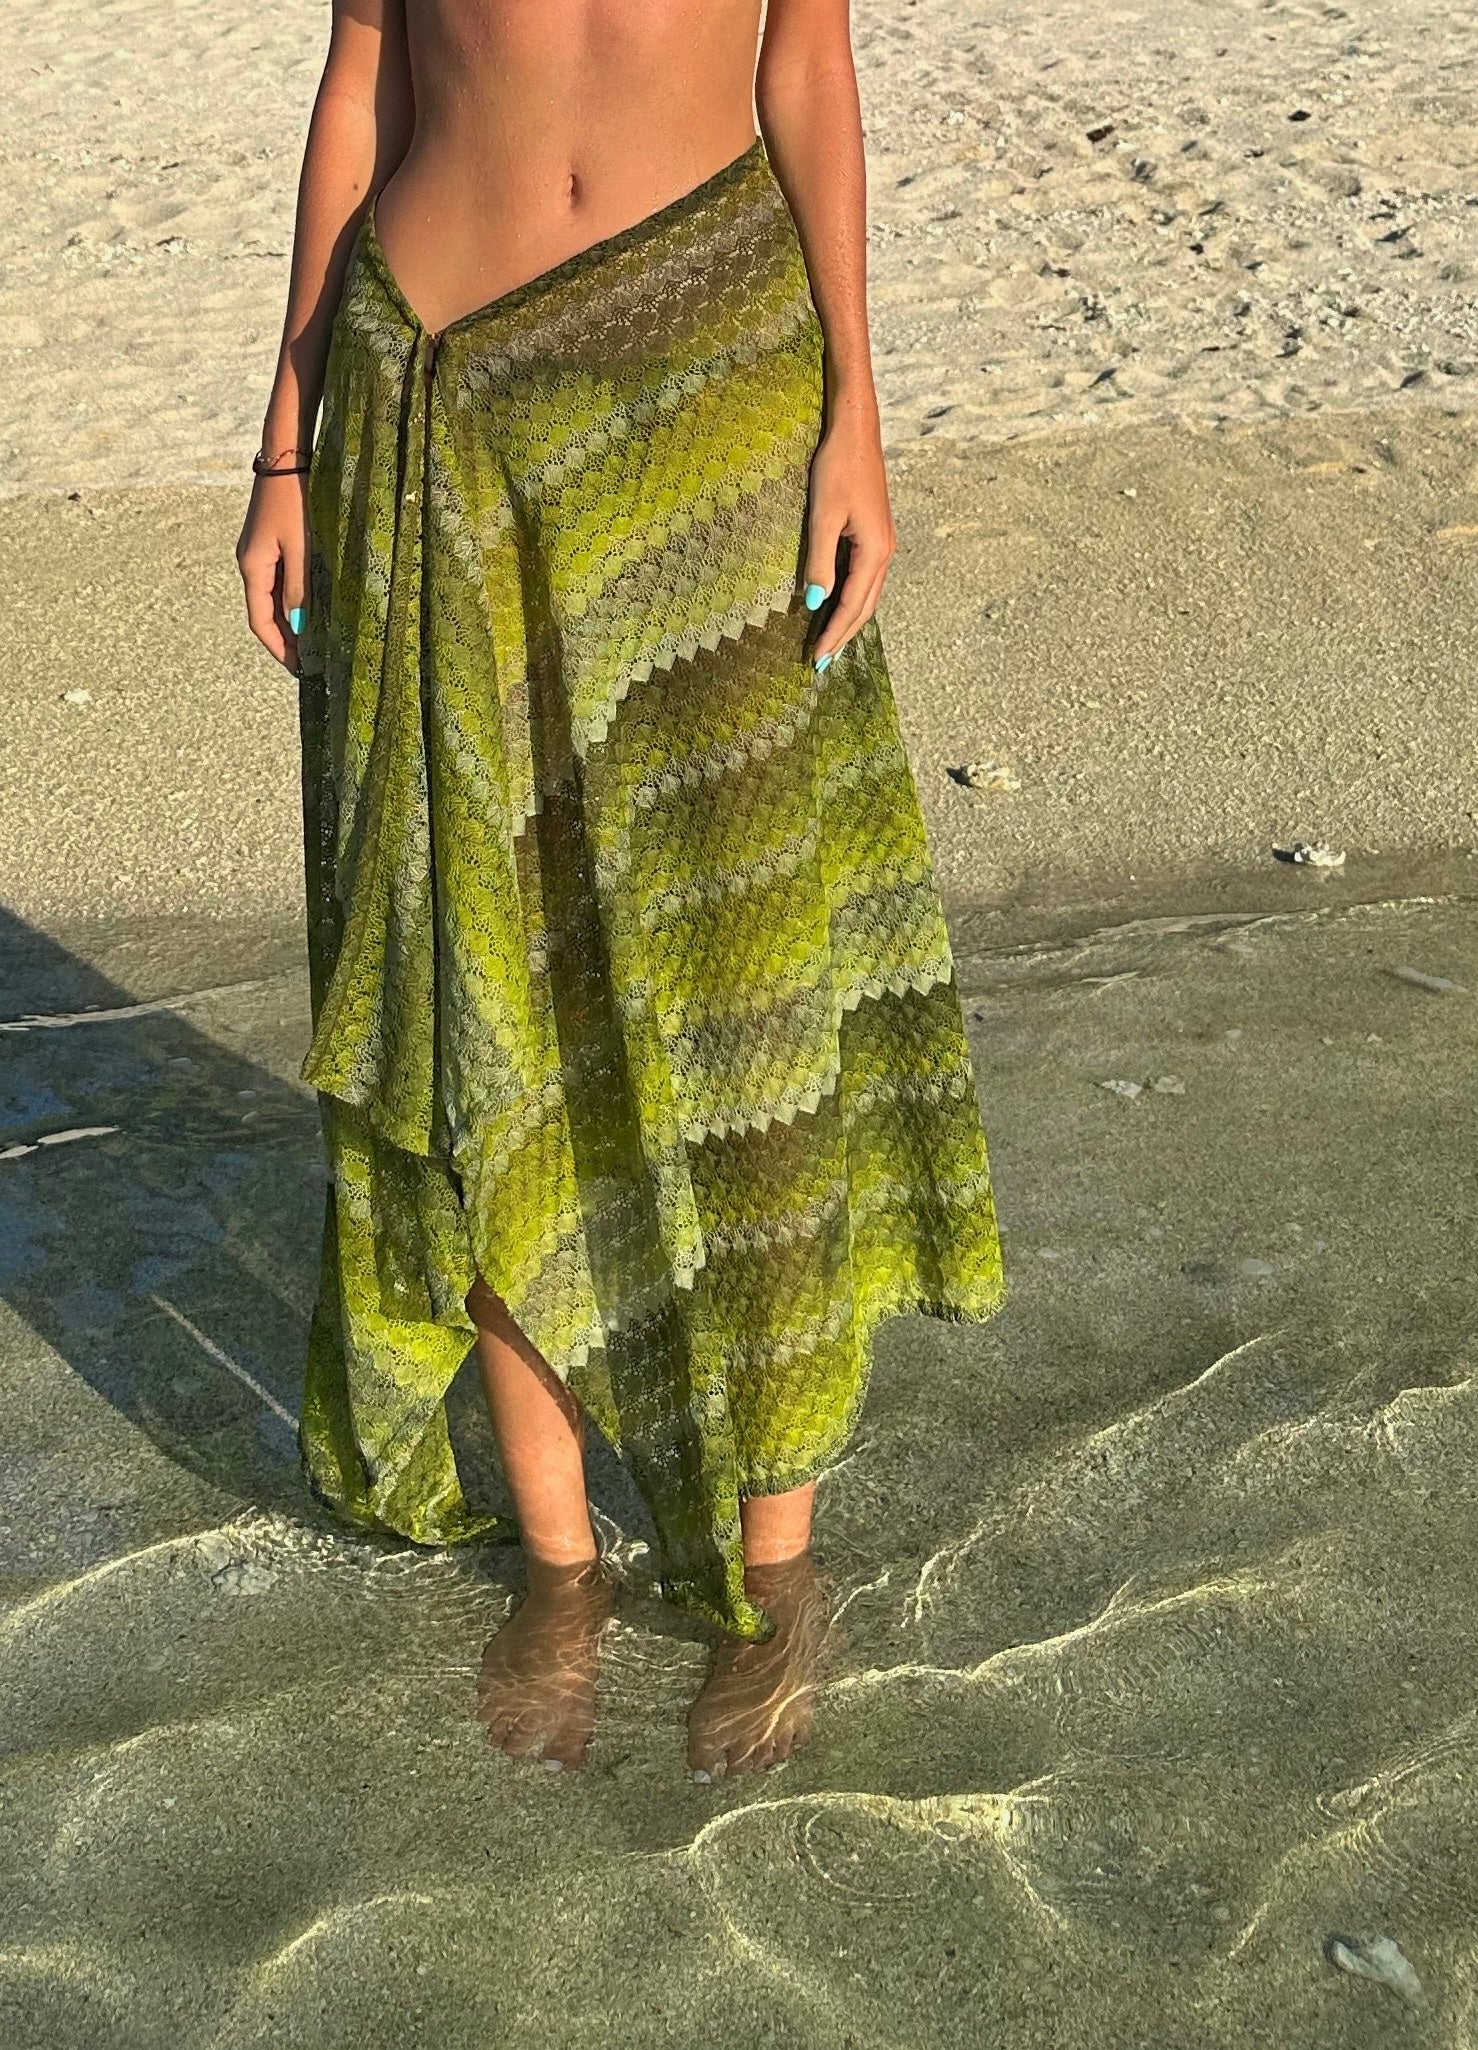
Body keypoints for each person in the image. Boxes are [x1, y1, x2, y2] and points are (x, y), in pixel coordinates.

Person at [236, 0, 1005, 1782]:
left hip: (712, 377)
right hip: (439, 403)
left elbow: (806, 62)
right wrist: (285, 442)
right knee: (484, 983)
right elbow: (362, 79)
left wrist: (856, 410)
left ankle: (773, 1565)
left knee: (746, 984)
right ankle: (558, 1558)